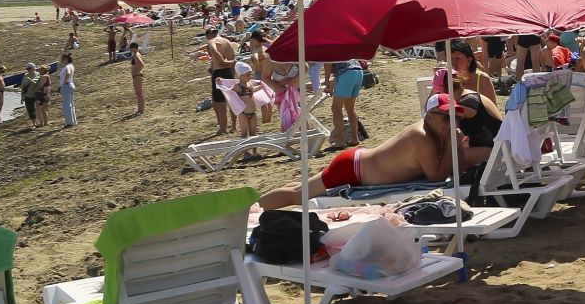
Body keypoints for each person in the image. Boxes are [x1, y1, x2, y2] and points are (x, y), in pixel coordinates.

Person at [256, 94, 462, 209]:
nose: (452, 122)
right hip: (353, 169)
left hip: (358, 163)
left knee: (301, 189)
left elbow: (451, 166)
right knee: (298, 196)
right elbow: (436, 176)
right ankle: (249, 209)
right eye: (447, 117)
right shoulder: (421, 136)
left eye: (456, 117)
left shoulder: (435, 132)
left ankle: (259, 202)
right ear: (429, 116)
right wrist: (454, 144)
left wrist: (455, 144)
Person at [195, 28, 237, 135]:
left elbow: (214, 51)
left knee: (219, 102)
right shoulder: (227, 41)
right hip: (229, 71)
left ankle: (223, 127)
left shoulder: (212, 41)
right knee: (231, 100)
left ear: (208, 36)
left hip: (220, 72)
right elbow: (233, 59)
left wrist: (222, 62)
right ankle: (234, 126)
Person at [329, 58, 366, 150]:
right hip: (358, 70)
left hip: (346, 73)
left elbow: (327, 64)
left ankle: (340, 141)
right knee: (350, 108)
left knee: (336, 108)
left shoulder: (327, 50)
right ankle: (355, 138)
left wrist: (326, 80)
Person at [58, 52, 77, 127]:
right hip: (70, 84)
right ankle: (73, 121)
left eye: (62, 59)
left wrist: (65, 81)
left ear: (66, 59)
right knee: (71, 104)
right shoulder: (71, 65)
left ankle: (69, 122)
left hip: (66, 85)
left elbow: (68, 73)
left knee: (66, 104)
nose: (61, 60)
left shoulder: (67, 66)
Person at [20, 63, 42, 128]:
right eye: (27, 69)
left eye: (29, 68)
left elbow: (36, 84)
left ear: (33, 68)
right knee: (30, 110)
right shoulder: (25, 75)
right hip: (28, 95)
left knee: (40, 109)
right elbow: (22, 86)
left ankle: (42, 122)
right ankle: (34, 124)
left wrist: (29, 79)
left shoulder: (38, 74)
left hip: (37, 94)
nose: (28, 70)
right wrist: (22, 97)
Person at [128, 41, 145, 116]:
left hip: (137, 76)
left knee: (139, 94)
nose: (130, 50)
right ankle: (139, 110)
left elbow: (142, 64)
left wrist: (137, 71)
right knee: (138, 94)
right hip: (137, 76)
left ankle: (141, 110)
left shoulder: (137, 55)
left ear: (133, 48)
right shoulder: (137, 54)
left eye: (130, 48)